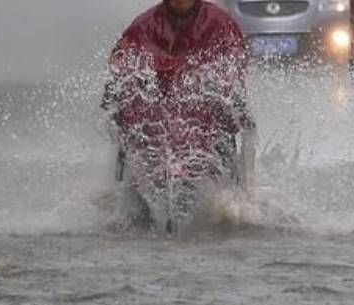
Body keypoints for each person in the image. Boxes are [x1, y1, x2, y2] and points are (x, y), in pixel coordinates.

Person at [101, 0, 257, 231]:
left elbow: (234, 67)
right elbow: (121, 69)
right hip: (155, 119)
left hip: (202, 119)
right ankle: (134, 204)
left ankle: (235, 198)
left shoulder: (219, 22)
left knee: (226, 135)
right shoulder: (145, 24)